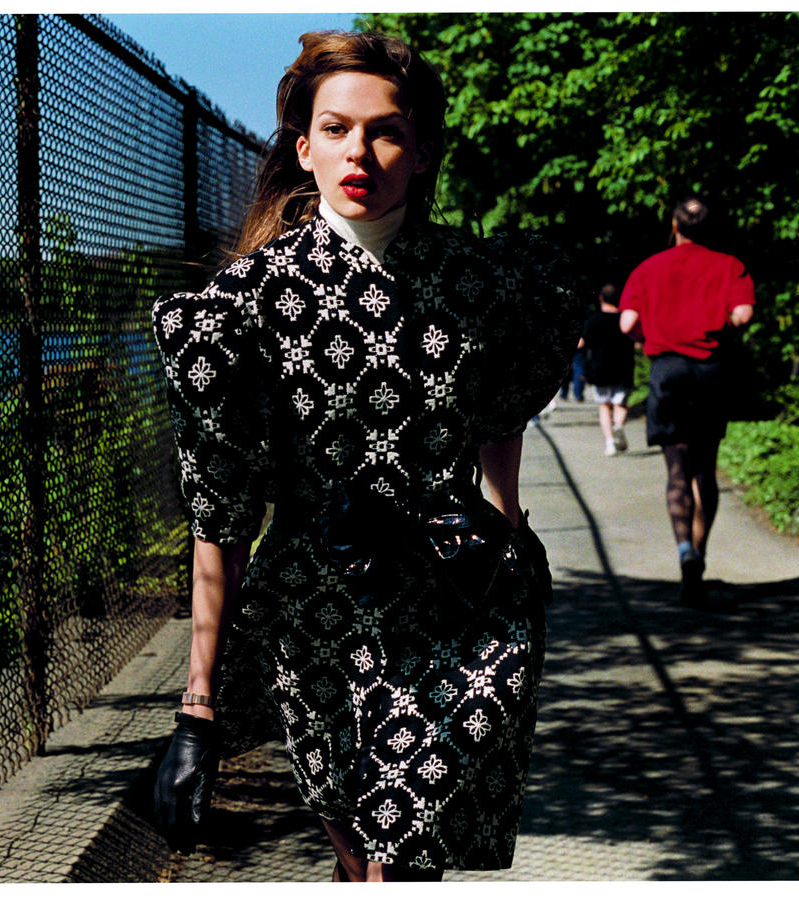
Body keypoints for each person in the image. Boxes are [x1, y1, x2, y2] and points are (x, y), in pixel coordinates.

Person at [150, 30, 587, 882]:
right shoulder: (241, 308)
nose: (359, 152)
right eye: (336, 129)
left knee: (404, 853)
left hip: (458, 603)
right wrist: (196, 709)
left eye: (386, 131)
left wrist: (510, 521)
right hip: (313, 615)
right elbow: (220, 512)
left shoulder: (487, 282)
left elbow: (500, 414)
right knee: (365, 855)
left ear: (421, 152)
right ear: (303, 148)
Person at [618, 196, 754, 605]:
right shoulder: (729, 266)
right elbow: (743, 314)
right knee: (705, 469)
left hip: (668, 372)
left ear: (674, 227)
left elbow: (627, 323)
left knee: (677, 470)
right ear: (708, 229)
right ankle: (700, 551)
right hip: (710, 372)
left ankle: (684, 554)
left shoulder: (648, 268)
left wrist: (649, 337)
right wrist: (720, 327)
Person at [580, 283, 634, 455]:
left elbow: (581, 343)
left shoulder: (593, 320)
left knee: (604, 406)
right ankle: (618, 425)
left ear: (601, 298)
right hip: (623, 368)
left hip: (599, 369)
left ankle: (610, 443)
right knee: (620, 404)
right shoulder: (625, 319)